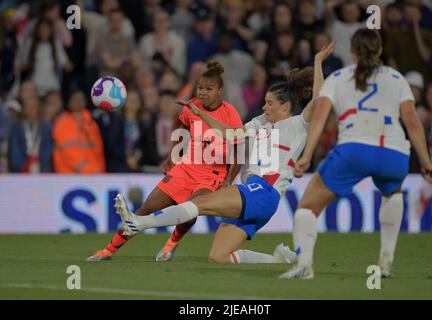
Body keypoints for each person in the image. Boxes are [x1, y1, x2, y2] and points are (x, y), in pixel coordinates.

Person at [113, 43, 336, 264]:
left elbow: (318, 99)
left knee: (200, 203)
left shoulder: (298, 125)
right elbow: (229, 134)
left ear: (286, 107)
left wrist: (317, 62)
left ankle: (139, 222)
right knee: (218, 257)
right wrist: (200, 113)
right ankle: (280, 260)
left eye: (269, 103)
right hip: (257, 199)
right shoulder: (260, 123)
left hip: (262, 191)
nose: (264, 108)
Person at [279, 29, 432, 280]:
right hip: (395, 154)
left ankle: (304, 265)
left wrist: (307, 154)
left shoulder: (339, 78)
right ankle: (385, 261)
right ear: (379, 51)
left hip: (354, 151)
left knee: (307, 207)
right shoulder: (396, 78)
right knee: (393, 194)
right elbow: (412, 120)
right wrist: (426, 160)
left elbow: (320, 115)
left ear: (352, 52)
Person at [87, 61, 243, 262]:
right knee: (146, 209)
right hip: (186, 168)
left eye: (209, 89)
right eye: (200, 88)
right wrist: (174, 153)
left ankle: (170, 245)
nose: (203, 92)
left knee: (192, 210)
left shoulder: (230, 114)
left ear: (220, 91)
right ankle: (108, 250)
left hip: (212, 174)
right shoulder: (192, 107)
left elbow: (239, 150)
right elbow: (181, 122)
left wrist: (229, 179)